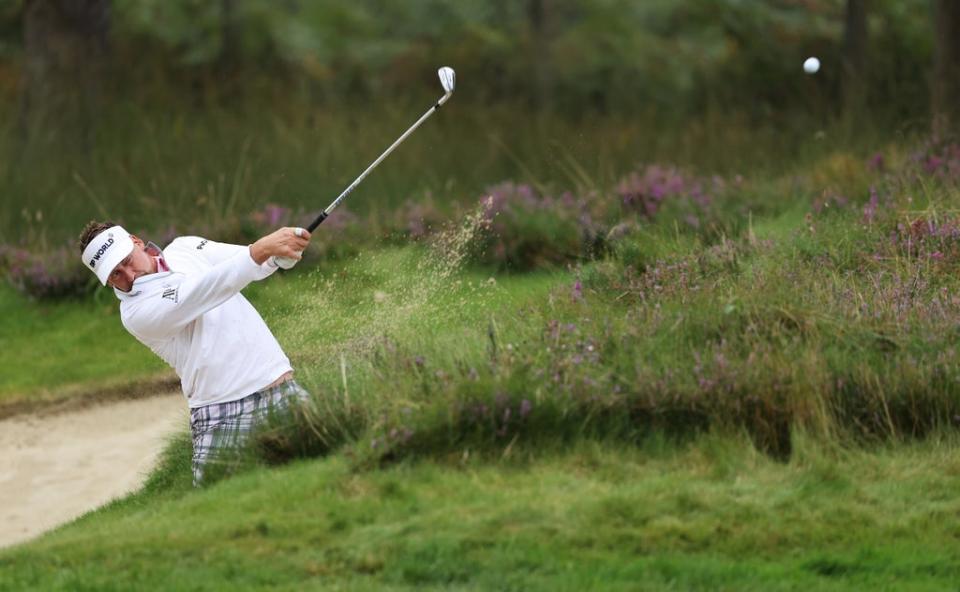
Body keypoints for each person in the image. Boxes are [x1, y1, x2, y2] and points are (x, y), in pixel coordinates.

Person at [78, 221, 312, 485]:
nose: (129, 276)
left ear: (136, 241)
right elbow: (201, 292)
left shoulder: (185, 248)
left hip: (277, 383)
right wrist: (261, 251)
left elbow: (247, 262)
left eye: (127, 261)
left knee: (326, 459)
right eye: (115, 275)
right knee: (219, 504)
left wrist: (280, 256)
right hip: (221, 412)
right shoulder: (135, 313)